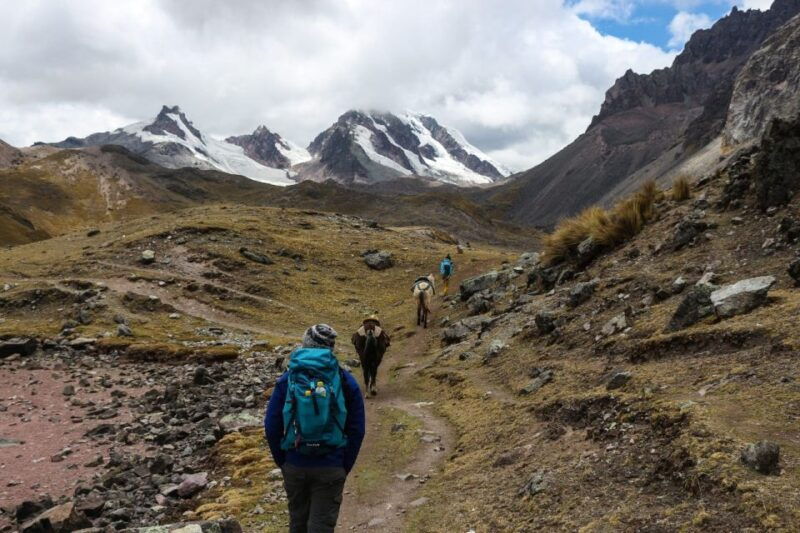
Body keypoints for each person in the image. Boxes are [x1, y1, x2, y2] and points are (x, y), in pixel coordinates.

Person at [264, 324, 366, 533]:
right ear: (331, 347)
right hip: (331, 464)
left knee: (297, 525)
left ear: (305, 344)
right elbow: (357, 428)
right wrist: (344, 464)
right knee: (321, 527)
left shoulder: (288, 378)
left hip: (295, 462)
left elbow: (271, 424)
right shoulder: (345, 379)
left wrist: (283, 461)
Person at [351, 315, 391, 396]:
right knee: (374, 367)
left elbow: (354, 341)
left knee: (365, 368)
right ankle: (373, 384)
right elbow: (385, 344)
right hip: (376, 355)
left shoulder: (361, 330)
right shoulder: (379, 330)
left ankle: (366, 389)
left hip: (363, 354)